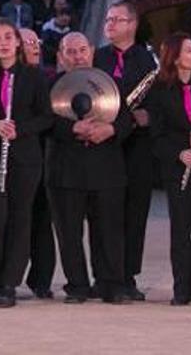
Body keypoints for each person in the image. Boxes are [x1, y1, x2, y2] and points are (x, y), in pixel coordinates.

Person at [0, 19, 52, 308]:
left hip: (25, 159)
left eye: (7, 37)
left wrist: (20, 128)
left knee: (20, 219)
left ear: (17, 42)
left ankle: (8, 284)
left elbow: (47, 117)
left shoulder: (34, 76)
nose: (2, 43)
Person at [49, 32, 131, 304]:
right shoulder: (50, 86)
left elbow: (129, 119)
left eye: (82, 50)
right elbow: (43, 121)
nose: (77, 56)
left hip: (107, 168)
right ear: (61, 56)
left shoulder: (113, 84)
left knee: (109, 230)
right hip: (65, 171)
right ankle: (77, 285)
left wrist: (110, 129)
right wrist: (71, 127)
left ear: (92, 51)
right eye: (70, 51)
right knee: (69, 233)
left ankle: (111, 284)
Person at [93, 1, 158, 301]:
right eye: (107, 20)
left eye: (116, 20)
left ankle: (127, 275)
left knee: (134, 211)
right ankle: (104, 275)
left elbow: (159, 105)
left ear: (132, 24)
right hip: (103, 145)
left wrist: (148, 117)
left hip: (137, 147)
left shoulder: (149, 61)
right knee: (102, 212)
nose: (109, 24)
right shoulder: (98, 57)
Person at [150, 33, 191, 305]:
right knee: (180, 228)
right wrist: (180, 152)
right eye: (190, 51)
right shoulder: (159, 91)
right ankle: (182, 289)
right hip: (177, 167)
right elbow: (156, 137)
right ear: (175, 57)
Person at [19, 27, 57, 299]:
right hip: (16, 157)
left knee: (43, 220)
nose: (34, 46)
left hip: (45, 157)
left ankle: (41, 280)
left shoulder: (49, 79)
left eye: (36, 41)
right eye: (28, 42)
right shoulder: (3, 79)